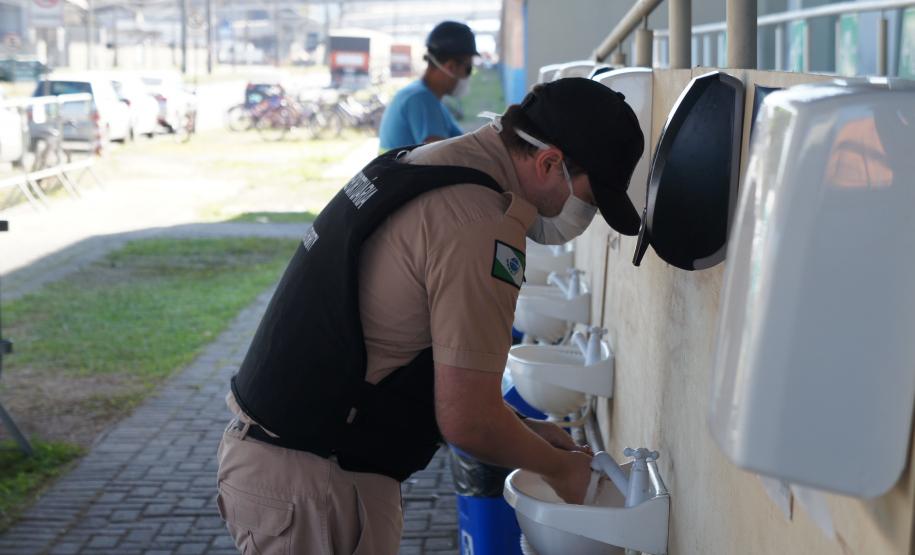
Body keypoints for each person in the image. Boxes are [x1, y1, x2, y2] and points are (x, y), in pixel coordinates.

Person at [216, 77, 645, 555]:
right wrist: (562, 471)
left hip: (279, 462)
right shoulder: (480, 223)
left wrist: (528, 430)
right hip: (314, 483)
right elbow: (468, 421)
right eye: (590, 200)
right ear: (548, 162)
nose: (583, 215)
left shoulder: (419, 163)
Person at [377, 21, 475, 151]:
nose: (469, 76)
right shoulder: (421, 99)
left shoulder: (427, 97)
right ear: (451, 67)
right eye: (468, 68)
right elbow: (441, 156)